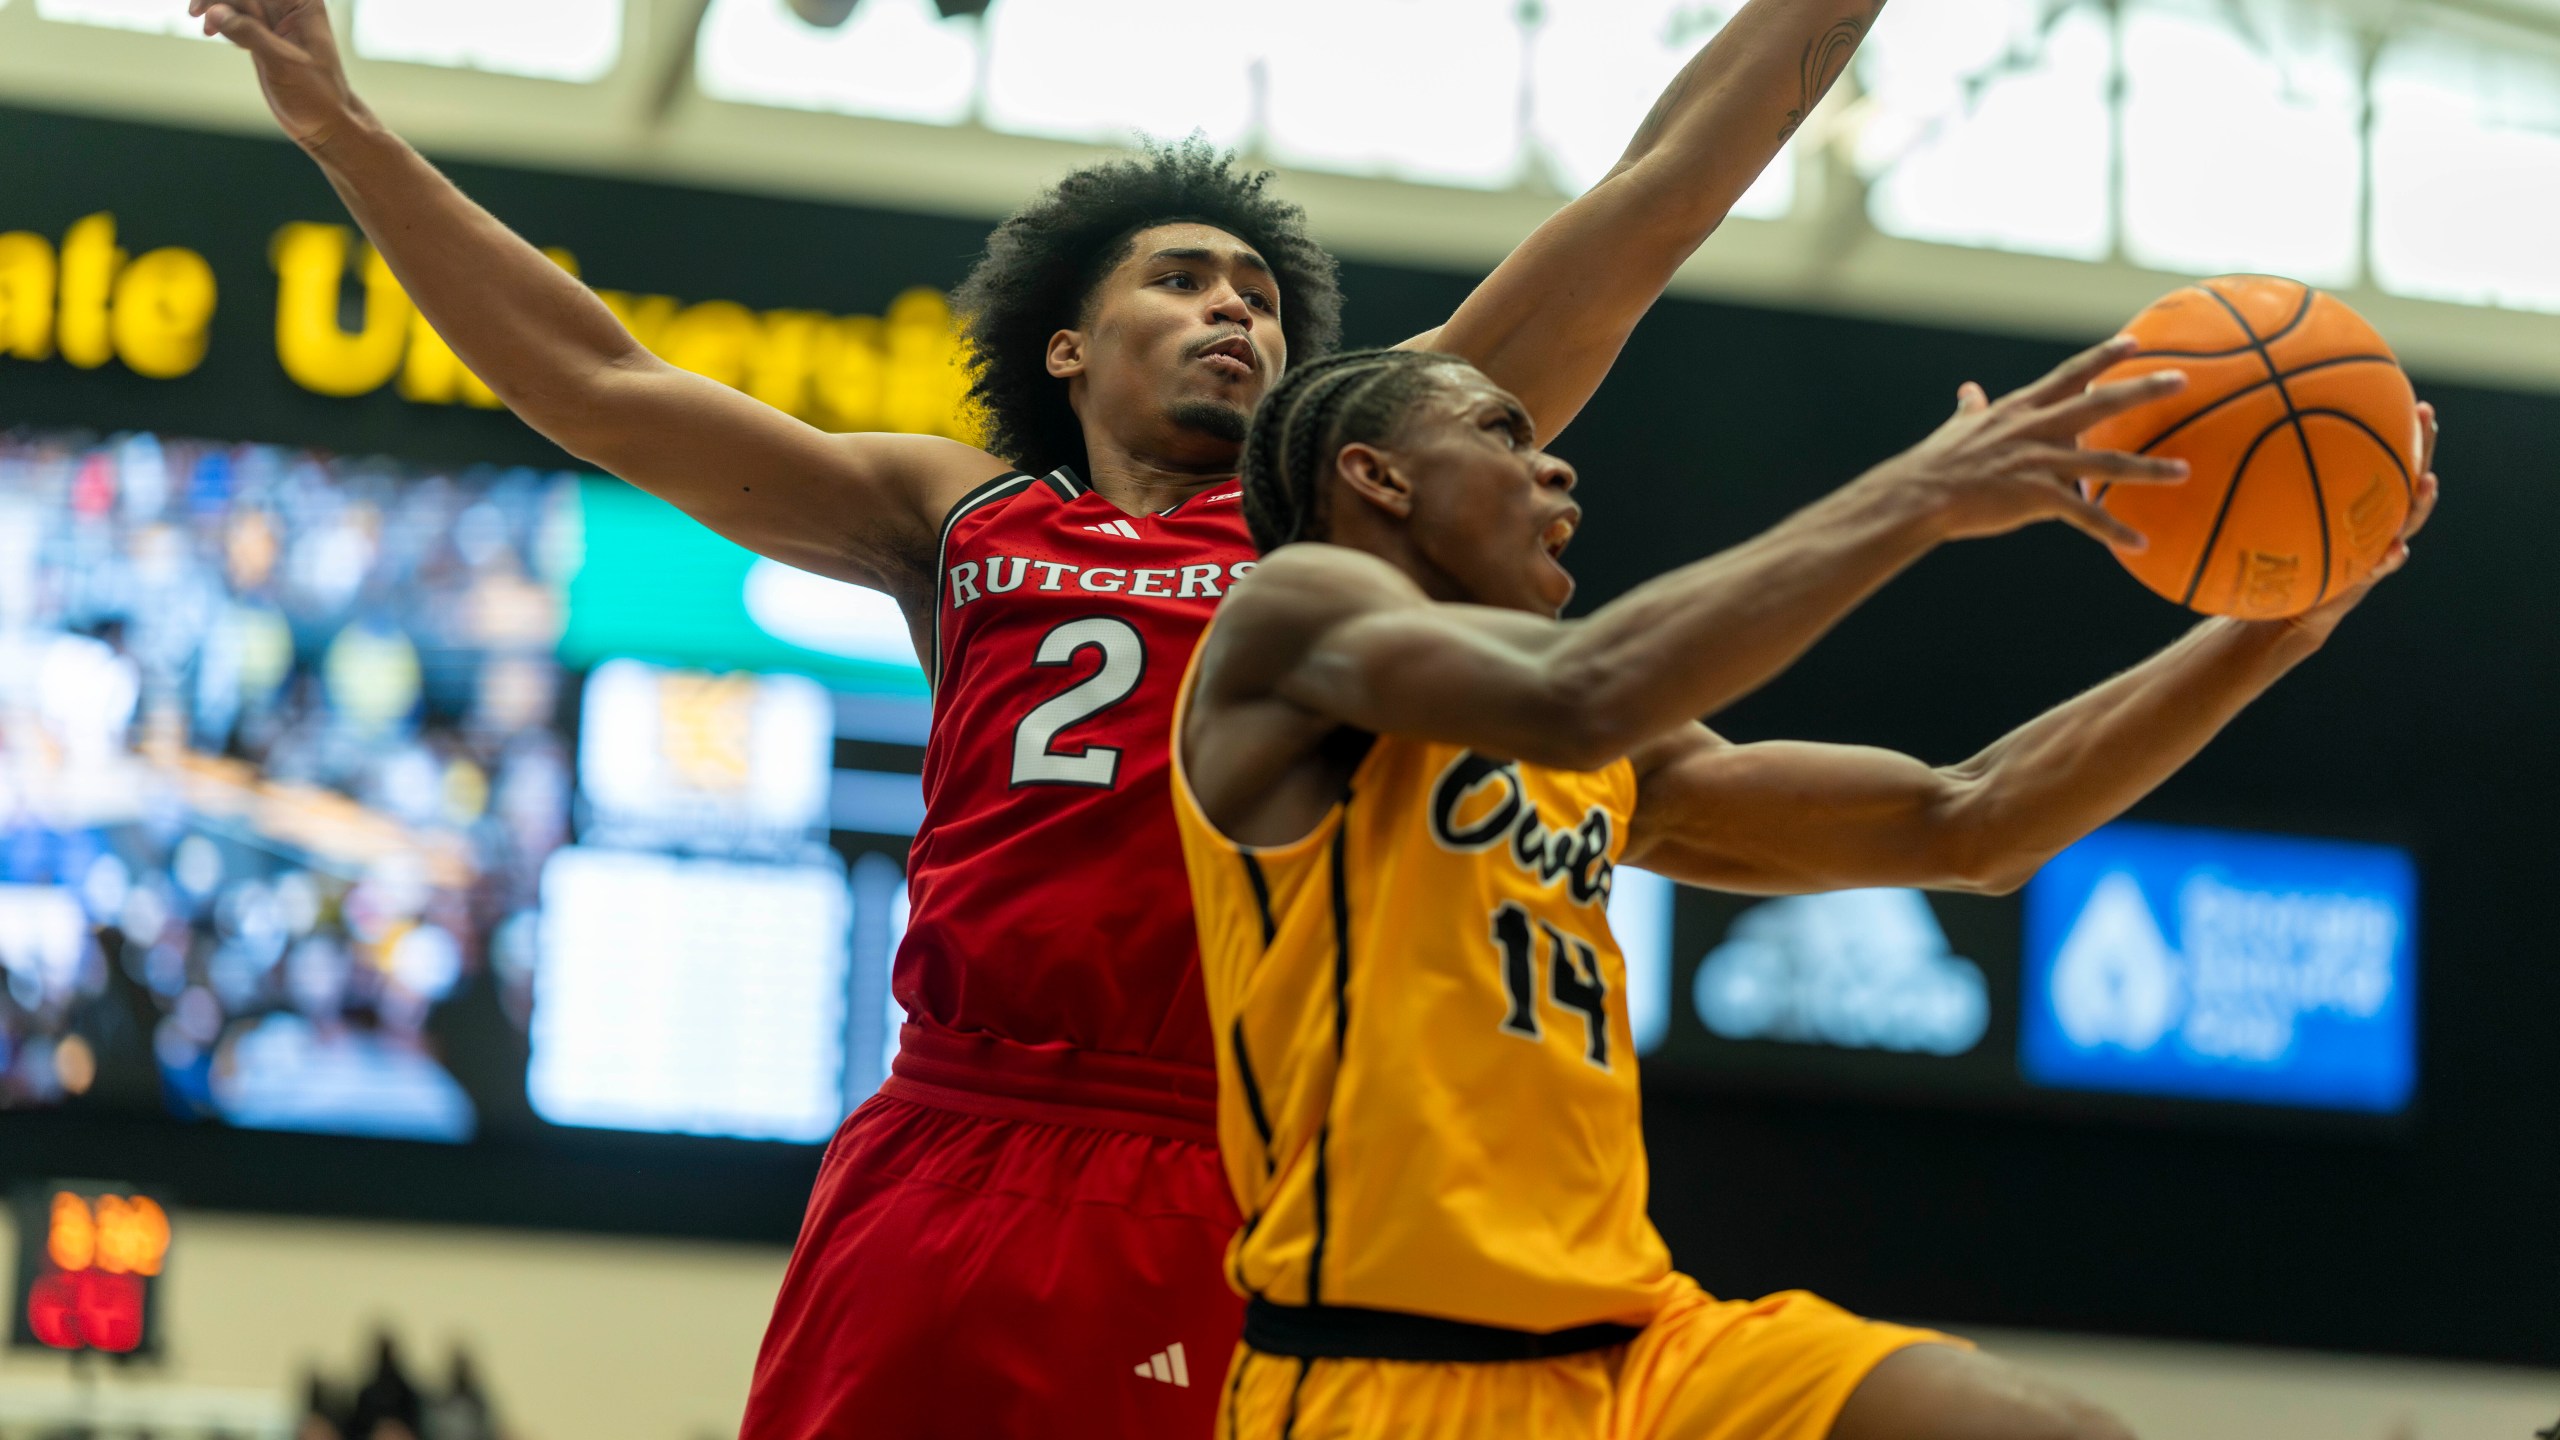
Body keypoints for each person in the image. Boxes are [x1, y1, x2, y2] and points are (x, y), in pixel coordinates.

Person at [189, 1, 1893, 1432]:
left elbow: (1657, 198)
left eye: (1261, 295)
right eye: (1184, 279)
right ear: (1070, 347)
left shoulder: (1339, 519)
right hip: (956, 1140)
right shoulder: (959, 517)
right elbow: (601, 383)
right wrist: (340, 123)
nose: (1238, 305)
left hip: (1244, 1163)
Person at [1171, 342, 2437, 1438]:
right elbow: (1585, 688)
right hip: (1386, 1373)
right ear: (1375, 477)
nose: (1557, 469)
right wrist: (1921, 493)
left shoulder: (1610, 759)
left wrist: (2268, 629)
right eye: (1505, 434)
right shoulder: (1289, 616)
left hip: (1643, 1345)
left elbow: (1969, 821)